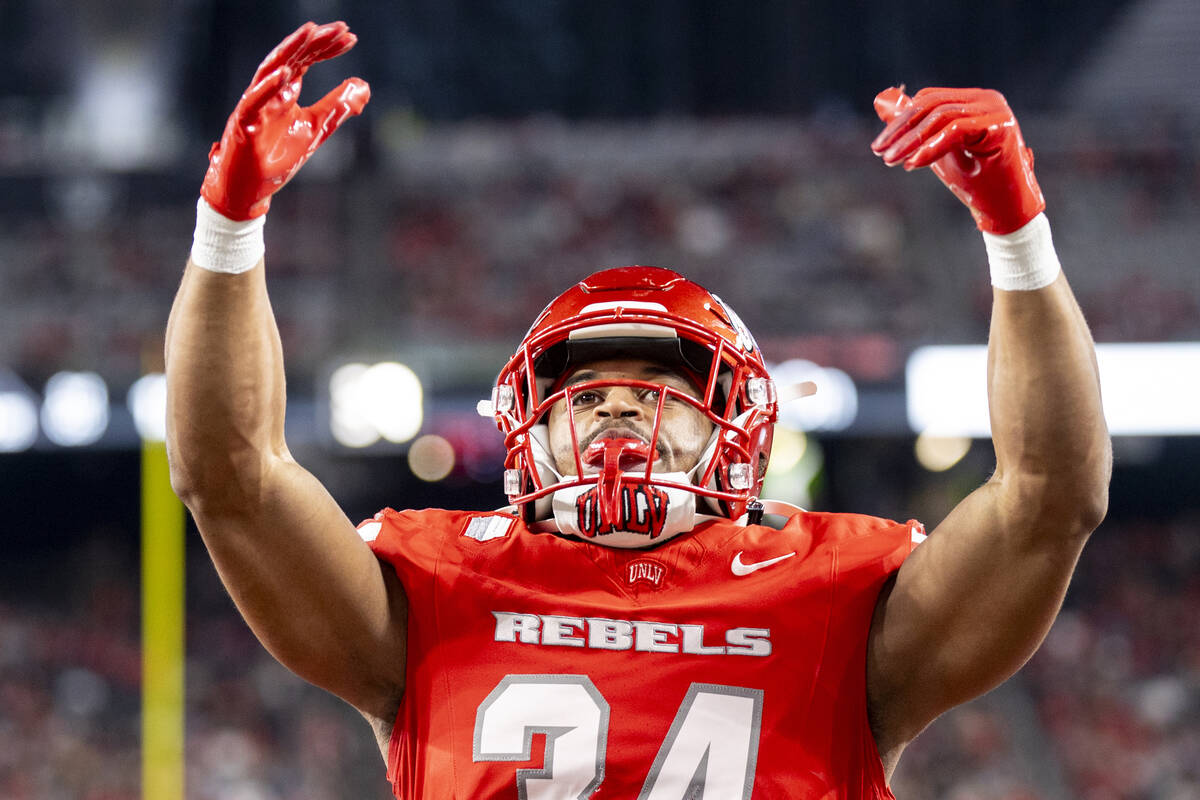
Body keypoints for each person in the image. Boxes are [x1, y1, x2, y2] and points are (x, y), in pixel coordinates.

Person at [165, 20, 1111, 799]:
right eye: (584, 389)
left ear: (736, 425)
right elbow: (228, 478)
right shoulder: (433, 588)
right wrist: (229, 221)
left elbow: (1051, 496)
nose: (618, 406)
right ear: (526, 425)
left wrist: (1017, 233)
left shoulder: (836, 599)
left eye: (661, 386)